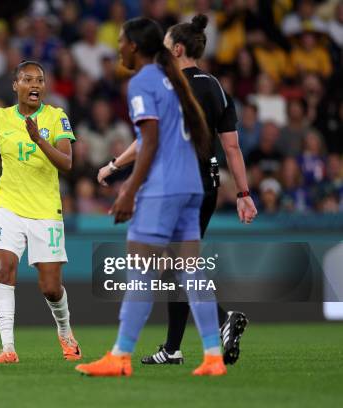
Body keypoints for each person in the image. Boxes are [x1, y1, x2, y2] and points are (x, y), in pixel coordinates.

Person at [96, 14, 258, 366]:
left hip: (173, 185)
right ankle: (174, 347)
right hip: (208, 187)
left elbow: (149, 140)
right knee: (177, 264)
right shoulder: (215, 87)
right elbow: (231, 149)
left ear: (178, 48)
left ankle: (217, 321)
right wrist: (244, 194)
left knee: (166, 263)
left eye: (166, 46)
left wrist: (114, 166)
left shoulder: (168, 86)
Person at [76, 17, 226, 377]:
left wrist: (128, 190)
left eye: (122, 41)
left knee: (141, 270)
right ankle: (212, 356)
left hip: (164, 188)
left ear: (135, 46)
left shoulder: (143, 81)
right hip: (192, 183)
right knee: (191, 271)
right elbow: (177, 134)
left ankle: (120, 356)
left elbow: (151, 140)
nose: (118, 48)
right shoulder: (170, 80)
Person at [0, 60, 81, 364]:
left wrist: (39, 140)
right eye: (28, 79)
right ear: (16, 85)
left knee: (50, 287)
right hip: (8, 206)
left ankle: (65, 333)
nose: (35, 85)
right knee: (3, 267)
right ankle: (7, 348)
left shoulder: (56, 117)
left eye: (39, 80)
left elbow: (67, 162)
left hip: (46, 210)